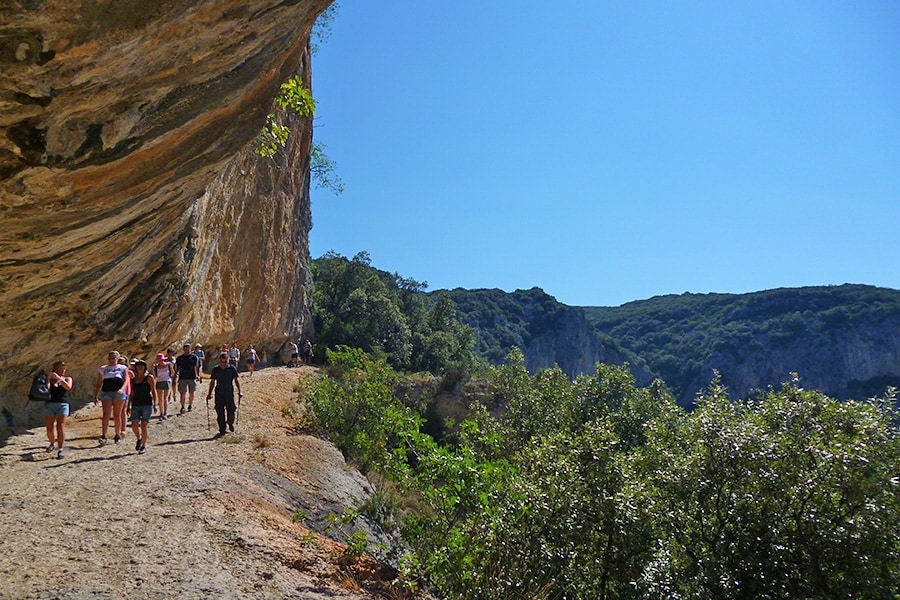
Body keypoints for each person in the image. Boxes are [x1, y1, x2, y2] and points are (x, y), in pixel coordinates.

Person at [94, 351, 129, 444]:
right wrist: (96, 395)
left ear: (117, 359)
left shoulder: (122, 368)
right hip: (106, 392)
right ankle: (104, 435)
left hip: (118, 392)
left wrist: (122, 389)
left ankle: (117, 434)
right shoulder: (103, 369)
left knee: (117, 414)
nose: (112, 360)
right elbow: (99, 383)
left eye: (114, 358)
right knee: (106, 414)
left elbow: (126, 380)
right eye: (110, 358)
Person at [207, 352, 242, 439]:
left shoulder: (232, 369)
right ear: (220, 360)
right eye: (222, 362)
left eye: (225, 361)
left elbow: (236, 380)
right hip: (219, 393)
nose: (224, 364)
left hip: (229, 393)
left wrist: (240, 391)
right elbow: (212, 382)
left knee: (231, 410)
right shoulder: (216, 369)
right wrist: (209, 393)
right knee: (220, 411)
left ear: (228, 360)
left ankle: (230, 422)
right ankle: (222, 429)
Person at [44, 361, 72, 459]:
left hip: (62, 404)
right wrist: (49, 378)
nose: (63, 370)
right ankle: (52, 443)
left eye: (64, 368)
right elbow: (47, 389)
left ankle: (60, 449)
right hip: (49, 404)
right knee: (49, 428)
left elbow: (68, 387)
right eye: (60, 368)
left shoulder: (67, 378)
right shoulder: (50, 379)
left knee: (60, 427)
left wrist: (59, 379)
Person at [129, 360, 155, 454]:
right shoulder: (133, 380)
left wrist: (155, 403)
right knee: (134, 425)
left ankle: (143, 446)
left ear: (145, 367)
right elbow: (131, 394)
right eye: (138, 365)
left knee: (144, 426)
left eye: (142, 365)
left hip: (147, 404)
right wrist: (128, 405)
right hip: (136, 404)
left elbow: (153, 391)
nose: (140, 367)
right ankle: (139, 438)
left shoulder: (149, 378)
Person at [175, 343, 200, 414]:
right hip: (182, 377)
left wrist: (198, 375)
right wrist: (175, 376)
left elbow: (197, 367)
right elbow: (177, 368)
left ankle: (190, 405)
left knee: (191, 392)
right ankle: (182, 406)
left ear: (190, 349)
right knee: (182, 392)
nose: (187, 351)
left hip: (192, 377)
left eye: (188, 349)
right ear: (183, 350)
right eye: (185, 349)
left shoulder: (194, 357)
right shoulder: (180, 358)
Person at [153, 352, 174, 420]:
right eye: (159, 360)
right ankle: (161, 413)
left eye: (161, 360)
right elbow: (155, 376)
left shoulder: (168, 365)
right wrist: (153, 369)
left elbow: (172, 373)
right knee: (160, 399)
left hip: (166, 381)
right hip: (159, 382)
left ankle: (165, 413)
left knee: (165, 398)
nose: (160, 361)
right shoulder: (156, 367)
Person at [117, 355, 133, 440]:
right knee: (118, 411)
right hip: (117, 392)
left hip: (126, 392)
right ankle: (119, 428)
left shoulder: (128, 371)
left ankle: (123, 429)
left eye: (122, 362)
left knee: (123, 410)